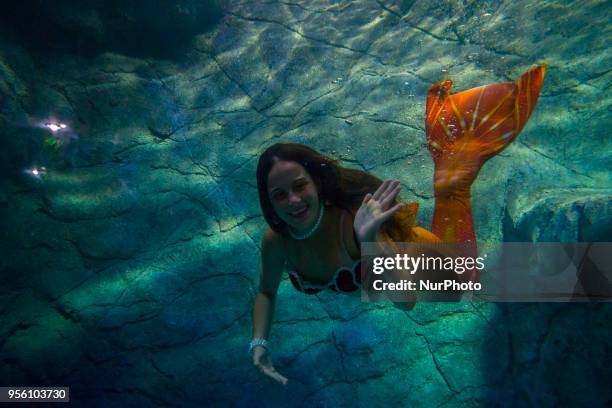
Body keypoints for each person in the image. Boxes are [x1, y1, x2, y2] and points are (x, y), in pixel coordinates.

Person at [250, 65, 548, 385]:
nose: (293, 201)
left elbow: (406, 300)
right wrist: (259, 343)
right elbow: (266, 291)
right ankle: (450, 171)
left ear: (316, 184)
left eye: (299, 186)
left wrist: (369, 239)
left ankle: (455, 171)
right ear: (268, 202)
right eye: (279, 195)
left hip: (416, 258)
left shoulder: (351, 222)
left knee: (467, 280)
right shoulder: (276, 241)